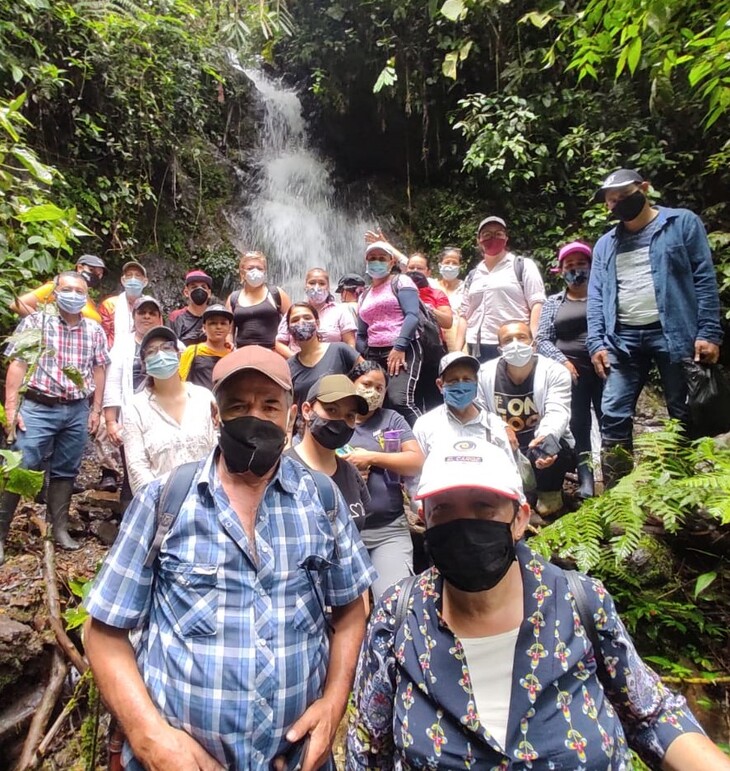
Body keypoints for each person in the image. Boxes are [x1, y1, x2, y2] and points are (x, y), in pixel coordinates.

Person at [347, 437, 730, 771]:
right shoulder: (398, 616)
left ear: (519, 519)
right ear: (424, 520)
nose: (465, 525)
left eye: (484, 507)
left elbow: (650, 715)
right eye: (444, 509)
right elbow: (368, 746)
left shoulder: (580, 602)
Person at [84, 345, 375, 770]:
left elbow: (351, 611)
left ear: (293, 417)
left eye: (270, 405)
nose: (255, 418)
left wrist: (333, 704)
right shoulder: (164, 501)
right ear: (216, 417)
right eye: (238, 405)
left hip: (294, 759)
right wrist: (149, 737)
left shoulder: (322, 500)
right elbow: (103, 631)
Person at [586, 169, 723, 484]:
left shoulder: (680, 223)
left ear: (644, 188)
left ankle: (681, 495)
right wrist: (597, 343)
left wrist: (708, 332)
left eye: (623, 195)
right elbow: (596, 295)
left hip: (674, 332)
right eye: (611, 200)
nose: (617, 203)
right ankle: (619, 500)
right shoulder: (606, 244)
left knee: (682, 414)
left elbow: (703, 277)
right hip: (622, 338)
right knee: (613, 412)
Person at [0, 272, 110, 563]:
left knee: (67, 469)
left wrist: (96, 409)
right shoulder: (37, 322)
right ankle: (0, 535)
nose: (73, 295)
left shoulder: (94, 330)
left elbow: (100, 370)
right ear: (55, 292)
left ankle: (58, 528)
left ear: (87, 297)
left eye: (79, 291)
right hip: (38, 405)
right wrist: (11, 408)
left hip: (76, 408)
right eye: (67, 289)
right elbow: (18, 364)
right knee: (20, 464)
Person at [478, 320, 574, 516]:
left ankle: (549, 494)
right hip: (504, 443)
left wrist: (546, 438)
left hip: (536, 440)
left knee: (556, 445)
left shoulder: (555, 371)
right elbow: (479, 411)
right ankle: (518, 495)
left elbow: (558, 410)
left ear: (533, 344)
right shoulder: (484, 373)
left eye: (521, 338)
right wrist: (500, 427)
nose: (515, 344)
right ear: (500, 348)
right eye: (508, 340)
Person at [344, 361, 423, 597]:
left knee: (395, 603)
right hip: (343, 532)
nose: (373, 392)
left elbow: (416, 461)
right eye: (367, 384)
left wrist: (371, 457)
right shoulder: (335, 420)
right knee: (346, 610)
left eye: (380, 388)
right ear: (351, 384)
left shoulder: (392, 419)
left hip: (389, 530)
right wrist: (347, 470)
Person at [537, 241, 602, 498]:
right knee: (578, 424)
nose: (575, 270)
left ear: (591, 266)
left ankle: (617, 478)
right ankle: (587, 480)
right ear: (561, 270)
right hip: (570, 373)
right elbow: (542, 339)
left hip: (605, 368)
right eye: (569, 265)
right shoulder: (553, 302)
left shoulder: (604, 295)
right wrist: (562, 361)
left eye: (581, 264)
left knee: (613, 422)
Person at [121, 326, 216, 495]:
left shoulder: (203, 397)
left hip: (208, 500)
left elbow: (217, 452)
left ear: (178, 355)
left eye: (166, 348)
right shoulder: (135, 409)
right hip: (162, 508)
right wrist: (161, 505)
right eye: (151, 352)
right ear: (144, 363)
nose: (160, 355)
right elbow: (137, 469)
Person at [285, 374, 371, 530]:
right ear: (306, 410)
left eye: (349, 416)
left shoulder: (351, 473)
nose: (340, 421)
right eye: (331, 410)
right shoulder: (282, 470)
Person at [456, 216, 546, 362]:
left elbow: (537, 303)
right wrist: (457, 351)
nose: (493, 237)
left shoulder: (523, 266)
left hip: (513, 343)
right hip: (477, 345)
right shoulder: (473, 275)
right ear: (478, 240)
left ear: (506, 238)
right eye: (487, 234)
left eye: (498, 233)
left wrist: (533, 340)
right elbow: (464, 315)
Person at [103, 297, 166, 503]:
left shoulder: (174, 345)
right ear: (134, 317)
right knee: (133, 471)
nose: (146, 316)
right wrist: (111, 421)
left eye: (152, 313)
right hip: (130, 418)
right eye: (142, 312)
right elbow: (112, 383)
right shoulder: (121, 346)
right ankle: (129, 524)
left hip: (163, 416)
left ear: (160, 318)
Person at [356, 241, 422, 427]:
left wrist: (399, 346)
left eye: (381, 258)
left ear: (391, 262)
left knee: (399, 400)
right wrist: (362, 356)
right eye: (372, 258)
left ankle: (426, 441)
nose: (376, 262)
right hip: (373, 352)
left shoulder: (401, 281)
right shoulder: (364, 294)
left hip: (403, 348)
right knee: (376, 401)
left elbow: (412, 316)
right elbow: (361, 332)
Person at [413, 352, 515, 468]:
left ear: (476, 383)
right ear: (440, 385)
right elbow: (417, 476)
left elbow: (510, 472)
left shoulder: (493, 425)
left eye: (466, 380)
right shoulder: (426, 425)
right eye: (454, 381)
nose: (461, 386)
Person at [286, 302, 362, 411]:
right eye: (295, 320)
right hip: (306, 424)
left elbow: (369, 375)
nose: (301, 322)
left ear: (317, 323)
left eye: (307, 318)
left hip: (341, 422)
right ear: (289, 329)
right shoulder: (288, 367)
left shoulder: (340, 351)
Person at [406, 254, 452, 412]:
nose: (415, 271)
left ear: (428, 272)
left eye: (419, 268)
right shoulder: (396, 292)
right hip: (408, 354)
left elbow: (448, 321)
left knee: (435, 400)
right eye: (411, 268)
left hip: (432, 353)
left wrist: (426, 307)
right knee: (412, 399)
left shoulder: (437, 294)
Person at [277, 268, 357, 354]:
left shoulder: (341, 311)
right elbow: (280, 343)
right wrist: (295, 360)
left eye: (322, 283)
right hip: (298, 363)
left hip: (333, 364)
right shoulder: (294, 311)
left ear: (328, 287)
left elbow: (350, 343)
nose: (316, 287)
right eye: (312, 283)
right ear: (305, 286)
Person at [226, 250, 291, 353]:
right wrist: (230, 350)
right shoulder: (233, 298)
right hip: (242, 353)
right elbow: (229, 331)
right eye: (250, 268)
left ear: (264, 272)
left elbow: (292, 321)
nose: (255, 271)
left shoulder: (276, 293)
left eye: (260, 268)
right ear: (242, 272)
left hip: (273, 353)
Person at [10, 254, 106, 321]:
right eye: (91, 270)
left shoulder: (88, 299)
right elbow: (18, 305)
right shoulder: (58, 287)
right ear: (79, 267)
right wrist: (42, 324)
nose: (95, 275)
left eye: (99, 274)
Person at [178, 303, 233, 390]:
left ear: (230, 328)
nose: (218, 327)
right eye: (213, 323)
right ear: (204, 327)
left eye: (223, 323)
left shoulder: (233, 355)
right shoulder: (192, 351)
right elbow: (180, 381)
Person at [98, 260, 149, 348]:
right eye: (129, 275)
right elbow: (102, 336)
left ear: (145, 282)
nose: (133, 279)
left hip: (143, 353)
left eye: (138, 276)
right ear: (123, 280)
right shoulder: (110, 304)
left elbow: (156, 331)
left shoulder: (151, 305)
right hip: (114, 354)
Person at [169, 269, 214, 345]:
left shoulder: (215, 316)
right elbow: (170, 344)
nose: (199, 290)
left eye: (203, 287)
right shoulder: (176, 317)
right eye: (194, 287)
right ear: (186, 292)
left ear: (209, 293)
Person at [435, 246, 465, 352]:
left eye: (454, 263)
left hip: (459, 337)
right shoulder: (431, 285)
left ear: (460, 266)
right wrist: (386, 244)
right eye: (447, 262)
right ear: (440, 265)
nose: (450, 266)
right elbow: (411, 265)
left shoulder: (466, 287)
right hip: (435, 338)